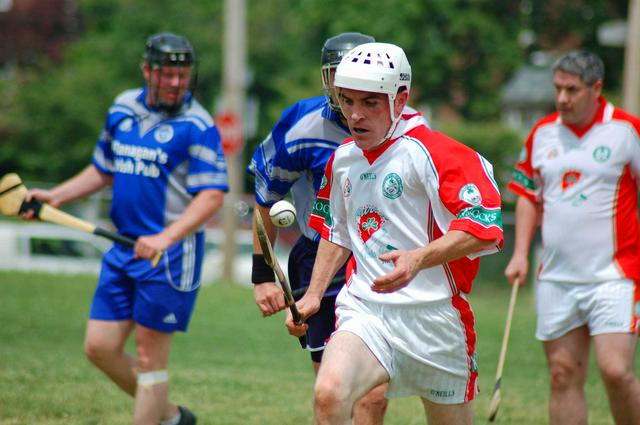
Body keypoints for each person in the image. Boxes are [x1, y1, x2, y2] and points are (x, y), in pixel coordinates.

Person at [285, 42, 504, 425]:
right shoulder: (343, 159)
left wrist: (417, 259)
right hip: (366, 311)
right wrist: (314, 296)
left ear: (400, 99)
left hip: (434, 319)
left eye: (370, 103)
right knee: (329, 393)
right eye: (347, 100)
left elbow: (485, 230)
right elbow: (338, 232)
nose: (355, 115)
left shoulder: (435, 153)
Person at [22, 32, 228, 425]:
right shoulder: (122, 108)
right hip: (122, 249)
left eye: (182, 75)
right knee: (99, 347)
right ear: (147, 70)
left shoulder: (197, 125)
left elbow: (212, 196)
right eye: (167, 74)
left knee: (150, 358)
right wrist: (57, 196)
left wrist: (164, 238)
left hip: (168, 257)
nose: (175, 83)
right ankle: (170, 417)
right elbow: (104, 168)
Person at [247, 32, 405, 424]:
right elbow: (267, 196)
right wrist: (263, 274)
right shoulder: (303, 125)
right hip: (320, 257)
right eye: (338, 77)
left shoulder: (403, 125)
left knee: (373, 396)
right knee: (333, 394)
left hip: (379, 262)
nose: (346, 89)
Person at [504, 50, 640, 425]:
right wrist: (519, 254)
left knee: (615, 371)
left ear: (596, 89)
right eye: (558, 88)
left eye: (572, 89)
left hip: (615, 275)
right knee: (562, 376)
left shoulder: (627, 131)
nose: (562, 98)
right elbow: (528, 196)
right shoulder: (542, 133)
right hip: (557, 277)